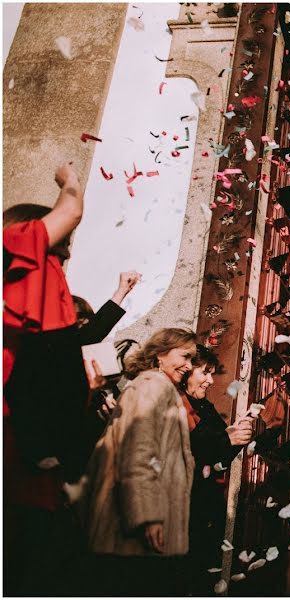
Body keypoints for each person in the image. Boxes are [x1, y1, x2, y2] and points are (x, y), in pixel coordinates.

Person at [2, 164, 89, 595]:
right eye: (60, 249)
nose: (65, 256)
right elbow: (70, 210)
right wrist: (68, 180)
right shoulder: (9, 251)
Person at [82, 328, 198, 596]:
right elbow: (137, 451)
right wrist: (147, 516)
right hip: (132, 532)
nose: (190, 366)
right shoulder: (152, 386)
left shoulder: (158, 387)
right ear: (160, 354)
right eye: (185, 356)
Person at [180, 345, 256, 595]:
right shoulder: (176, 403)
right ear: (186, 371)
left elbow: (219, 453)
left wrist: (236, 437)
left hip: (205, 507)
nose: (210, 381)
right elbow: (190, 446)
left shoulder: (205, 407)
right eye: (205, 373)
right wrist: (227, 439)